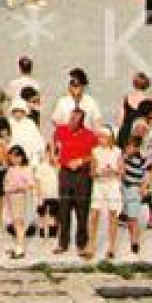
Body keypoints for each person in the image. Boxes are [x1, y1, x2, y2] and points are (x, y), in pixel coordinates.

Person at [51, 108, 97, 258]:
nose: (71, 122)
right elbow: (54, 143)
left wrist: (81, 161)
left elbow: (95, 154)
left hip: (82, 175)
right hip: (65, 173)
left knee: (82, 210)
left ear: (81, 121)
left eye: (75, 120)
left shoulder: (89, 135)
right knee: (63, 209)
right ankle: (63, 242)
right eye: (71, 118)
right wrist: (54, 157)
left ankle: (82, 244)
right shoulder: (61, 130)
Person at [89, 127, 124, 261]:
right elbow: (92, 172)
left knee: (113, 214)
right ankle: (91, 245)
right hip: (99, 184)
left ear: (110, 138)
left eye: (103, 137)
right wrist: (100, 173)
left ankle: (112, 246)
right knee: (94, 213)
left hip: (112, 185)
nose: (100, 139)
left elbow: (121, 171)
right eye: (99, 137)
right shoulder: (95, 151)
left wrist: (113, 172)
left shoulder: (117, 151)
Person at [3, 145, 36, 259]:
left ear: (21, 157)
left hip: (19, 197)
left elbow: (31, 184)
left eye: (15, 157)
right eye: (11, 157)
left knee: (19, 223)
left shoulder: (26, 169)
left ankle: (20, 247)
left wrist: (19, 187)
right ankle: (17, 244)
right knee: (14, 223)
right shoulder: (11, 169)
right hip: (10, 198)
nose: (13, 159)